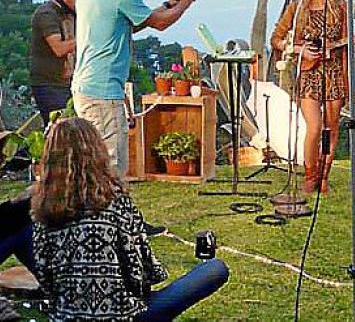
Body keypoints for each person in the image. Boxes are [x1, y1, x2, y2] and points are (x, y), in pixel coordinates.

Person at [29, 117, 229, 321]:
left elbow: (44, 276)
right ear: (97, 152)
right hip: (127, 316)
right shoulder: (116, 201)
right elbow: (140, 272)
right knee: (215, 269)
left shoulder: (43, 210)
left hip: (67, 316)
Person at [72, 0, 197, 178]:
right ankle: (111, 203)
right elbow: (160, 23)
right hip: (103, 92)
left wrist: (170, 4)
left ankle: (94, 200)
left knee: (94, 161)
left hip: (84, 87)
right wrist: (185, 2)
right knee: (112, 165)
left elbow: (129, 23)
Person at [271, 0, 348, 195]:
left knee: (330, 129)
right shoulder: (296, 9)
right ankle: (310, 175)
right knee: (314, 127)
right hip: (308, 74)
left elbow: (346, 39)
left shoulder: (340, 7)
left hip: (333, 73)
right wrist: (299, 49)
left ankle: (324, 176)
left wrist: (341, 44)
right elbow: (276, 39)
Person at [30, 0, 87, 126]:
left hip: (70, 82)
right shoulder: (47, 14)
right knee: (60, 128)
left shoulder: (74, 14)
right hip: (49, 84)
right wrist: (89, 37)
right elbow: (59, 48)